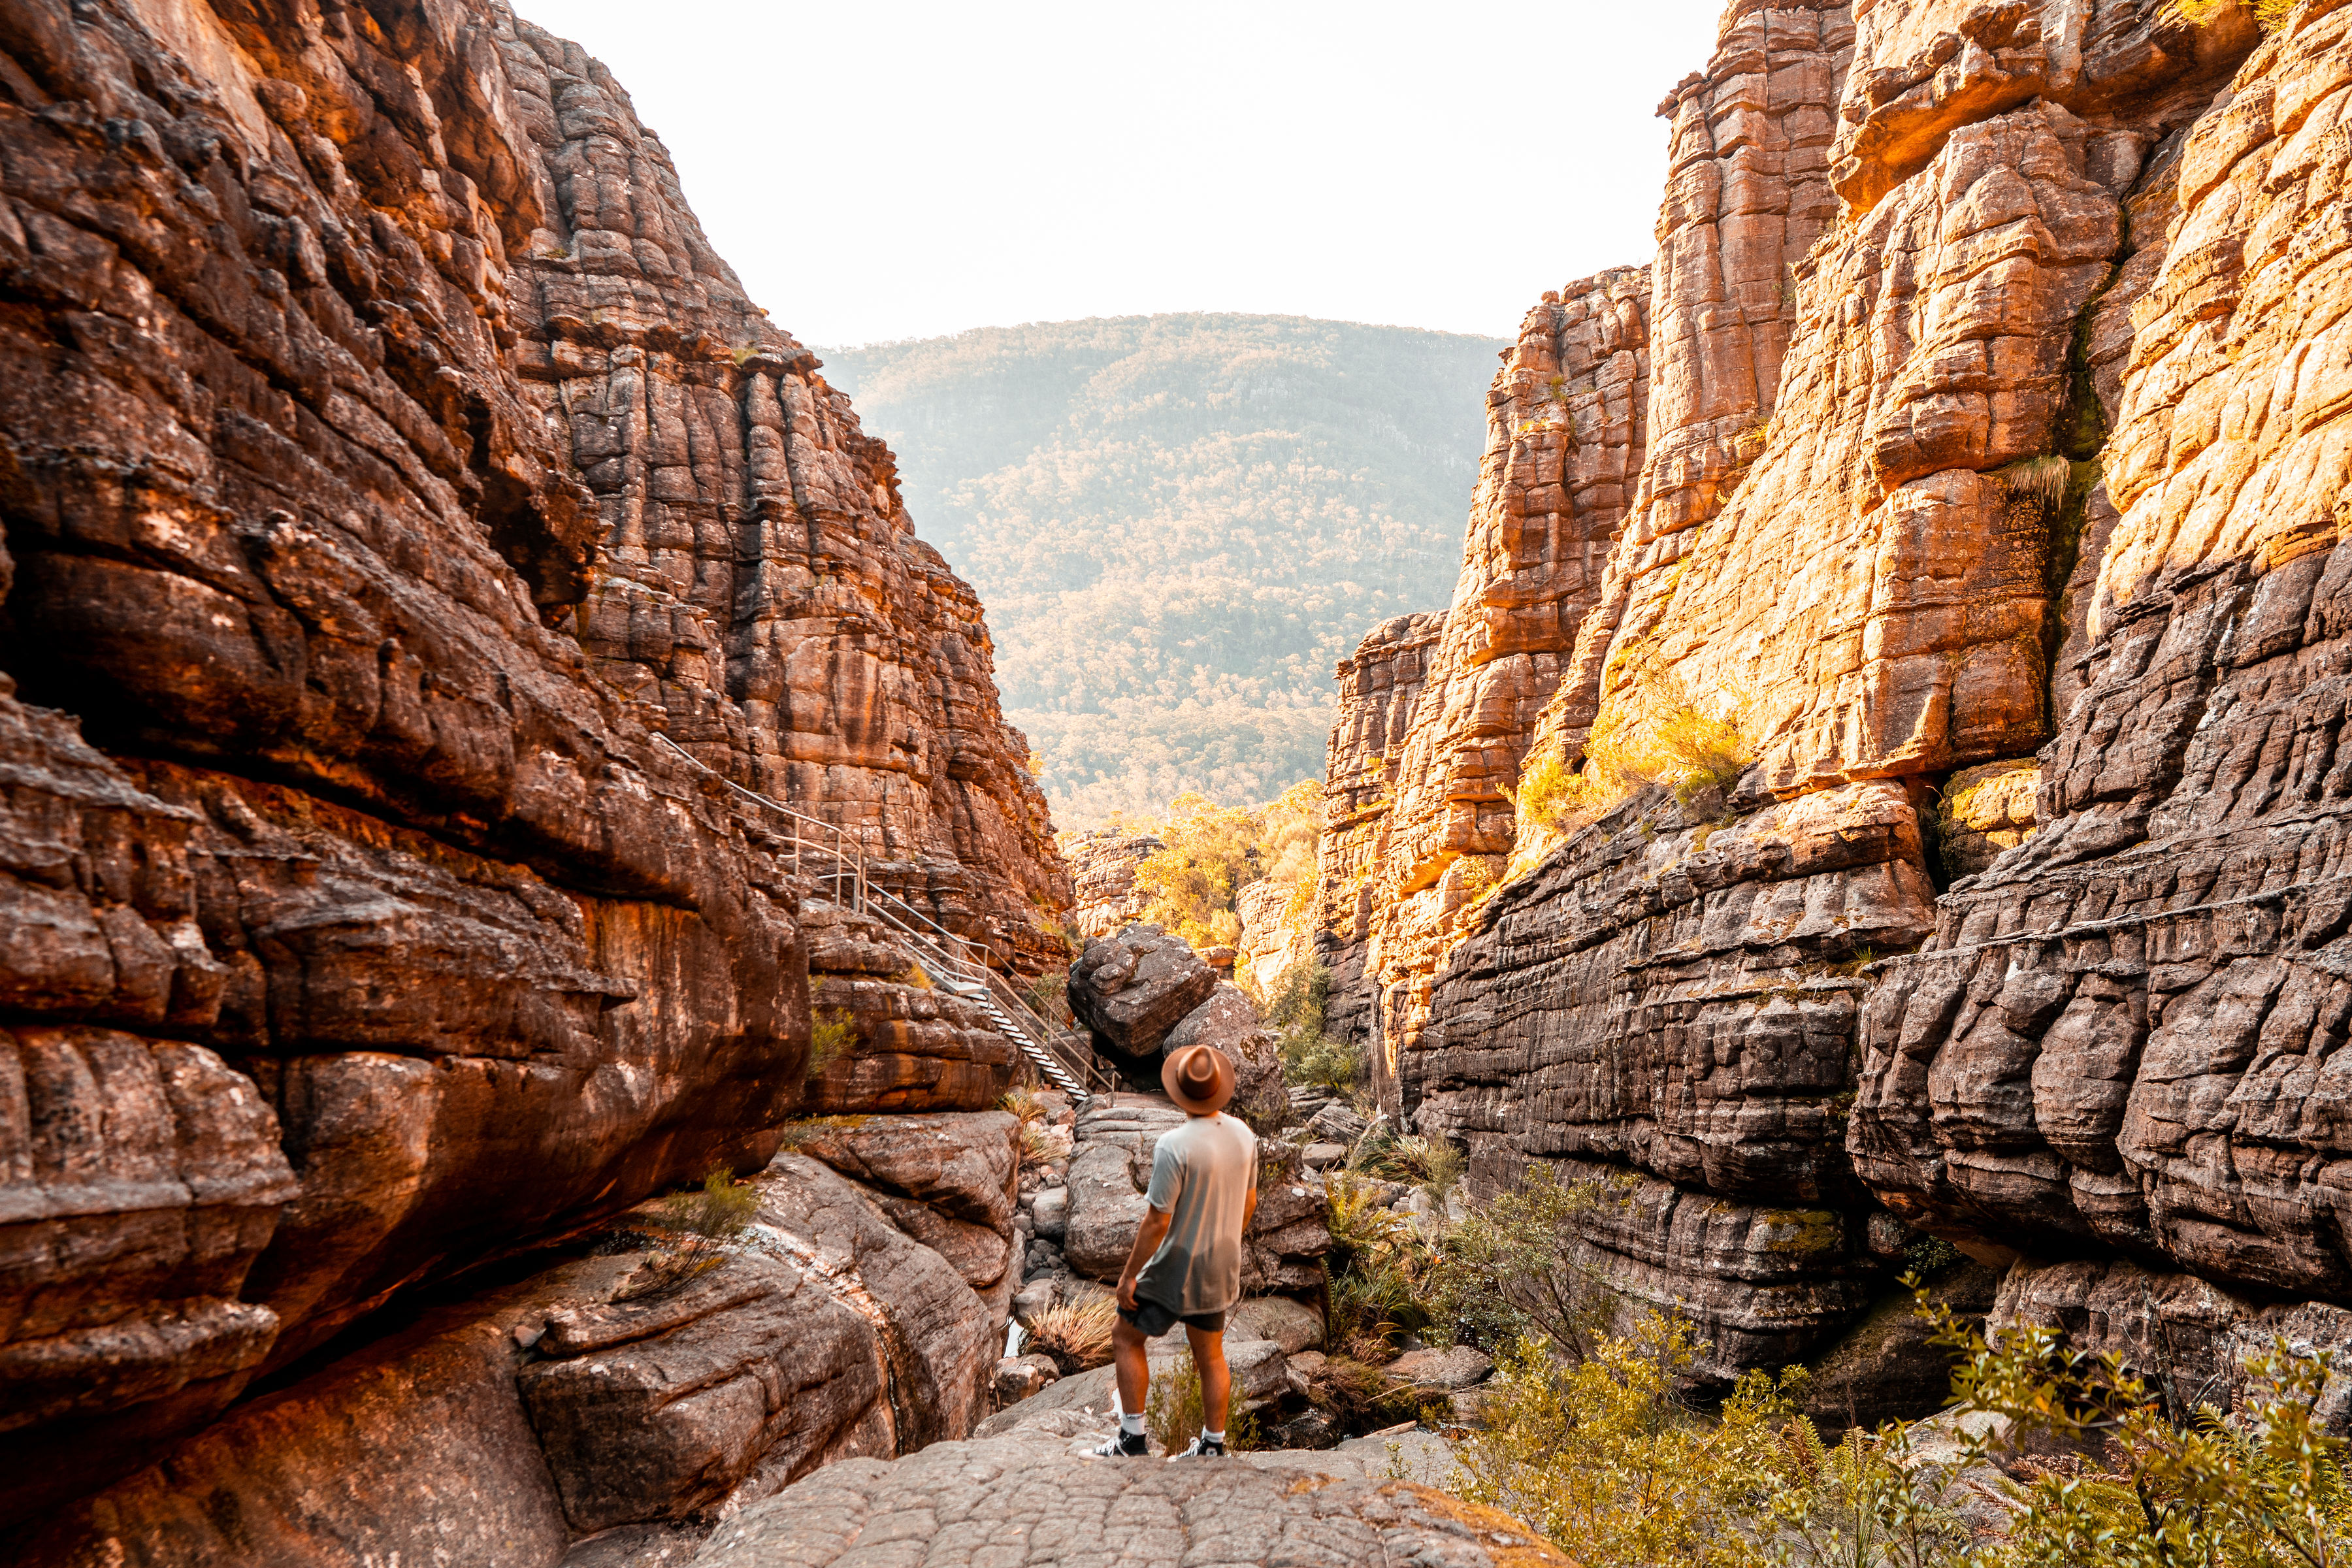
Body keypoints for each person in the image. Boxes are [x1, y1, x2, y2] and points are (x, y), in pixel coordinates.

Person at [1090, 1041, 1258, 1460]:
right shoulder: (1244, 1135)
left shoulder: (1173, 1145)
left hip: (1179, 1262)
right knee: (1211, 1355)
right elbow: (1250, 1202)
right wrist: (1227, 1240)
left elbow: (1156, 1222)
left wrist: (1129, 1276)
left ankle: (1132, 1440)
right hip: (1221, 1260)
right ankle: (1213, 1446)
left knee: (1125, 1335)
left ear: (1180, 1094)